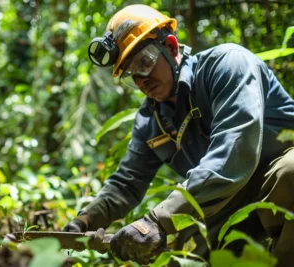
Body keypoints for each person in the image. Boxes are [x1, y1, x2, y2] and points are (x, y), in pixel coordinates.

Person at [63, 4, 294, 266]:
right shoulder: (151, 119)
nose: (141, 80)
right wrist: (87, 219)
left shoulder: (228, 65)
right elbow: (128, 182)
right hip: (223, 204)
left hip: (274, 185)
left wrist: (156, 220)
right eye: (131, 74)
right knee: (179, 257)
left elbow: (235, 152)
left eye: (144, 62)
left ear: (171, 47)